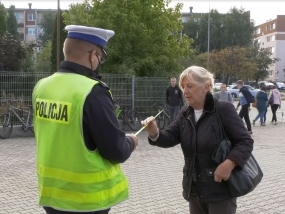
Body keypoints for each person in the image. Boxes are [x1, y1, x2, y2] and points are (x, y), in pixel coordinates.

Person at [32, 25, 138, 214]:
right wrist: (130, 141)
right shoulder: (92, 92)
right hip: (86, 200)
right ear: (93, 56)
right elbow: (115, 150)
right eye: (101, 56)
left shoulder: (41, 87)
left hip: (52, 195)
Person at [142, 66, 253, 214]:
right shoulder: (185, 113)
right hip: (194, 189)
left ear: (206, 86)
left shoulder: (223, 109)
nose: (185, 91)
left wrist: (230, 163)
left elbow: (245, 141)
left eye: (190, 86)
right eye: (183, 87)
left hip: (220, 190)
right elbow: (170, 137)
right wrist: (154, 132)